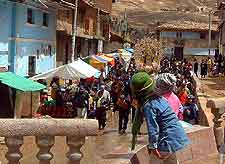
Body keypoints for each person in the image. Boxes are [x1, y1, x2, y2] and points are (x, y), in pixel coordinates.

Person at [131, 72, 190, 164]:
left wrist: (153, 146)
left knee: (155, 161)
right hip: (177, 136)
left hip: (166, 140)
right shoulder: (160, 98)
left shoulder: (149, 105)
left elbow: (153, 128)